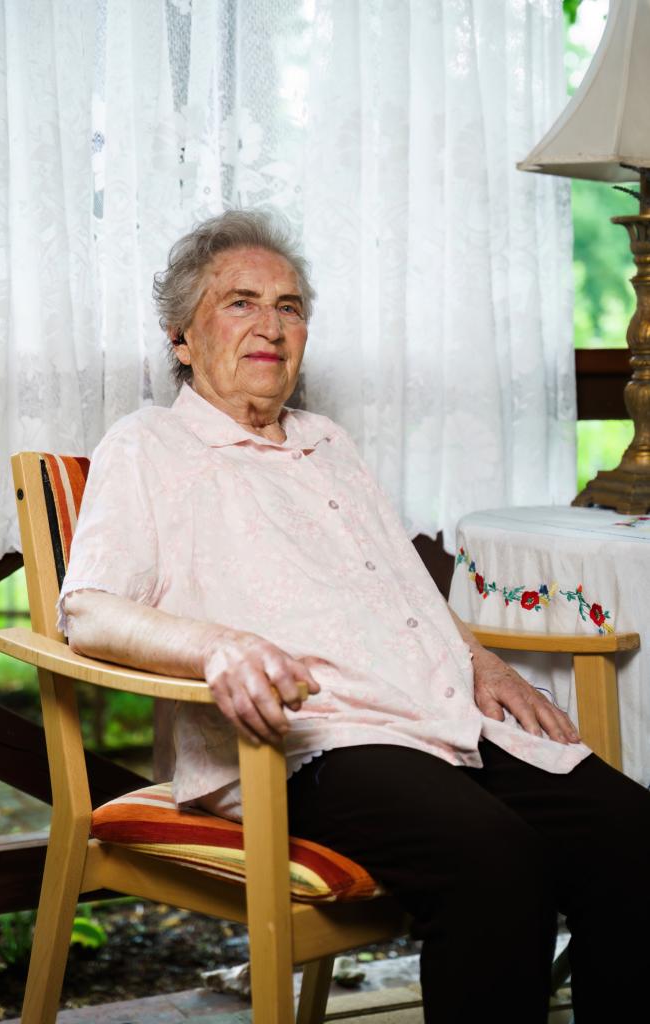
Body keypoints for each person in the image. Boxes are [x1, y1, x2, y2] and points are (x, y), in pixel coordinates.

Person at [60, 209, 650, 1024]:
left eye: (289, 306)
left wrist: (478, 660)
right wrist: (217, 647)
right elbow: (88, 611)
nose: (270, 326)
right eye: (239, 303)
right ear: (181, 338)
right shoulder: (149, 446)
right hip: (308, 740)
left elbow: (399, 589)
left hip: (437, 715)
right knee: (494, 862)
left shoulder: (325, 441)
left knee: (631, 835)